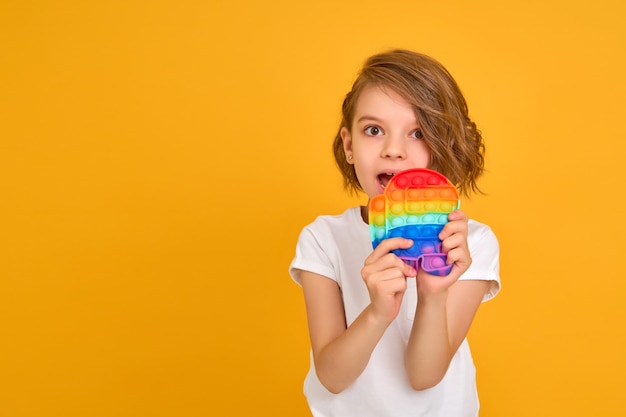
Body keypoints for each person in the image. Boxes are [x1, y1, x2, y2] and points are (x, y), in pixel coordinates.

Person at [289, 49, 501, 417]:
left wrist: (433, 294)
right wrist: (377, 313)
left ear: (444, 146)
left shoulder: (471, 244)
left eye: (418, 133)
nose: (393, 150)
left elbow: (424, 376)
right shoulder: (323, 238)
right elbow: (332, 377)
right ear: (349, 145)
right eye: (374, 130)